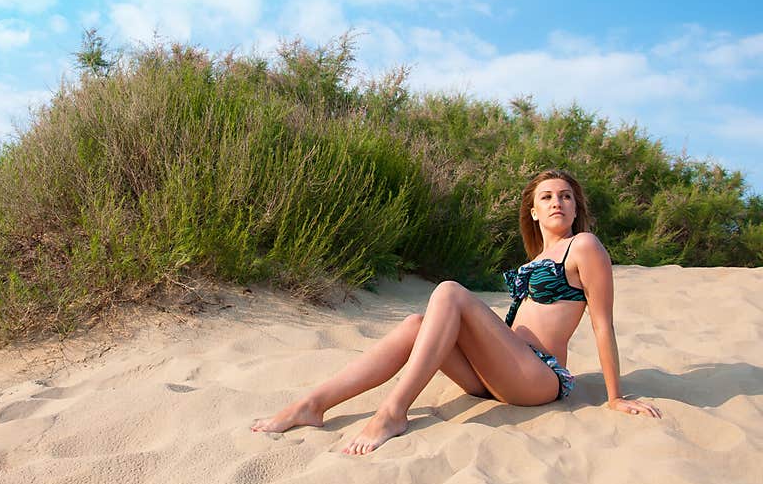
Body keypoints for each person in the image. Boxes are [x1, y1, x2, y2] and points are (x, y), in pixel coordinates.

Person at [252, 168, 661, 454]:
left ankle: (393, 413)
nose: (558, 202)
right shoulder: (538, 256)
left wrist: (615, 397)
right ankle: (313, 405)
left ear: (576, 208)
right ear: (533, 212)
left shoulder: (585, 247)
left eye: (566, 196)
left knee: (449, 291)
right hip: (497, 373)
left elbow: (602, 323)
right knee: (416, 323)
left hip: (539, 379)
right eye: (547, 197)